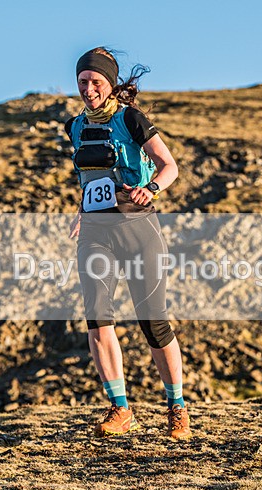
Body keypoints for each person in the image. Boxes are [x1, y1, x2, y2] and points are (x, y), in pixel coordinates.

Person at [65, 47, 190, 439]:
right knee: (97, 317)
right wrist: (82, 210)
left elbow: (170, 166)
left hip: (139, 229)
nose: (89, 89)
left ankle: (177, 407)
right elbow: (90, 177)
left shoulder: (130, 119)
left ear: (111, 83)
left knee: (153, 322)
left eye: (96, 82)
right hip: (96, 234)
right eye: (83, 82)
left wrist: (151, 188)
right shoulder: (75, 127)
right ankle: (120, 408)